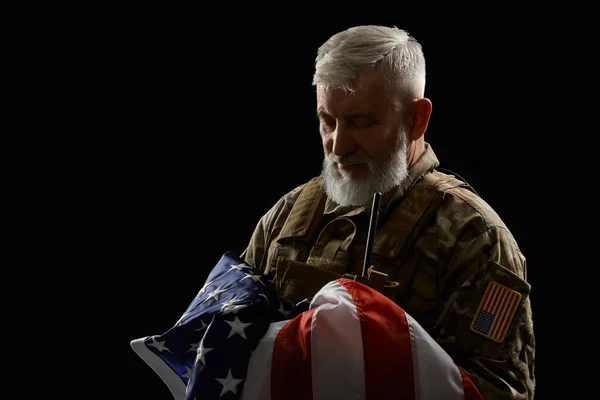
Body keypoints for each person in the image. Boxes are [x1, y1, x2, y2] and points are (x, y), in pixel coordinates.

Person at [240, 25, 535, 399]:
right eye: (327, 121)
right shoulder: (286, 216)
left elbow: (497, 388)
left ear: (417, 119)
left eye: (361, 122)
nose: (338, 145)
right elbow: (231, 349)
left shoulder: (476, 237)